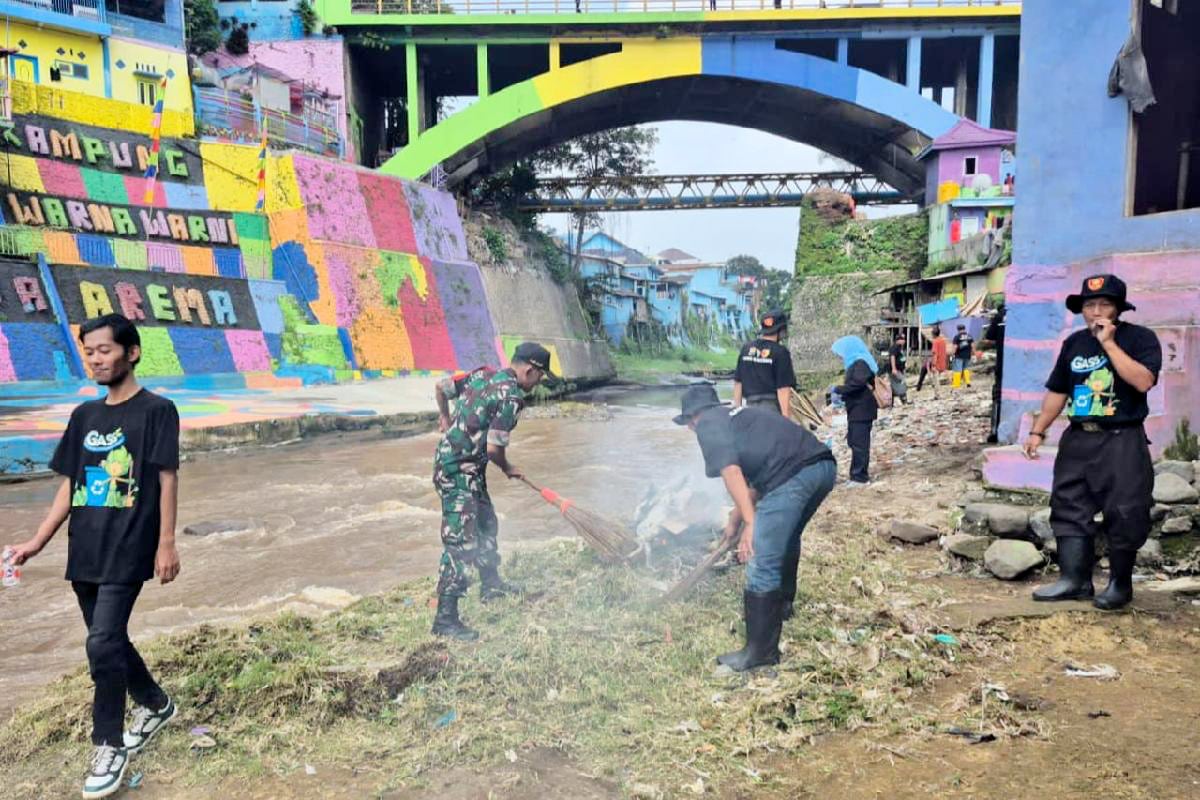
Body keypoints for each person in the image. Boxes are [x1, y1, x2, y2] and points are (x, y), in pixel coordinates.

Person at [6, 314, 181, 800]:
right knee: (108, 640)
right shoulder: (84, 416)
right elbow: (71, 485)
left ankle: (108, 744)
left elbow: (167, 477)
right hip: (85, 545)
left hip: (131, 544)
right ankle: (155, 703)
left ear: (132, 352)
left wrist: (166, 542)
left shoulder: (157, 411)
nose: (96, 359)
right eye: (90, 352)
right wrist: (37, 541)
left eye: (105, 350)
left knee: (101, 643)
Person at [675, 385, 835, 671]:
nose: (689, 428)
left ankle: (760, 653)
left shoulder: (708, 424)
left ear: (693, 417)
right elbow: (757, 482)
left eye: (688, 422)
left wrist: (751, 523)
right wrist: (736, 519)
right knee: (786, 538)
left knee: (762, 558)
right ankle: (783, 605)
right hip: (822, 468)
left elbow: (732, 472)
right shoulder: (739, 417)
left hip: (794, 476)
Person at [1025, 275, 1160, 610]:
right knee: (1068, 504)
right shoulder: (1074, 344)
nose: (1096, 311)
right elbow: (1058, 391)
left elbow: (1143, 382)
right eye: (1089, 305)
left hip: (1122, 439)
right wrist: (1038, 430)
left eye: (1104, 304)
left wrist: (1109, 344)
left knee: (1125, 510)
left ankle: (1119, 586)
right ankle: (1074, 580)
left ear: (1118, 309)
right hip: (1078, 439)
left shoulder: (1141, 338)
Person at [430, 342, 556, 640]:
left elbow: (441, 387)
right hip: (458, 471)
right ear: (529, 369)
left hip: (465, 467)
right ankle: (445, 619)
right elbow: (494, 448)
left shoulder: (483, 375)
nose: (538, 384)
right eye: (540, 377)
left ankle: (491, 584)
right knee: (460, 542)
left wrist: (445, 417)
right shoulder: (511, 397)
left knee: (486, 522)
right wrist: (508, 467)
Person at [732, 310, 796, 416]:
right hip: (771, 410)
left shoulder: (746, 348)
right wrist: (786, 420)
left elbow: (738, 382)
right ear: (781, 330)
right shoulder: (781, 352)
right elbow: (783, 389)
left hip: (749, 409)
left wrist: (737, 411)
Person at [832, 336, 877, 487]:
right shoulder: (855, 363)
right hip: (856, 409)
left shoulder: (860, 362)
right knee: (854, 441)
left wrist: (838, 390)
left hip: (862, 409)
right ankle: (856, 474)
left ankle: (860, 477)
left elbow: (857, 384)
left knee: (860, 444)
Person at [980, 303, 1006, 442]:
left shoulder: (1000, 316)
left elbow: (990, 337)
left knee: (998, 395)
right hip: (1024, 364)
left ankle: (995, 430)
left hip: (1002, 364)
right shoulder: (1024, 311)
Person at [951, 323, 976, 389]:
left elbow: (955, 347)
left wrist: (952, 354)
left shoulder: (957, 337)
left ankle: (956, 384)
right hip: (967, 355)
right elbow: (973, 346)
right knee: (966, 369)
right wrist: (974, 354)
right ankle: (968, 382)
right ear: (964, 328)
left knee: (957, 370)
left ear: (958, 329)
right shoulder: (969, 336)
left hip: (959, 356)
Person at [887, 334, 908, 406]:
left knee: (894, 385)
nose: (904, 341)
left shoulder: (899, 348)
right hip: (895, 370)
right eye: (902, 339)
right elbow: (892, 357)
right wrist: (894, 368)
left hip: (899, 369)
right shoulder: (895, 347)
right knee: (901, 383)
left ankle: (892, 402)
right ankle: (904, 400)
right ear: (898, 340)